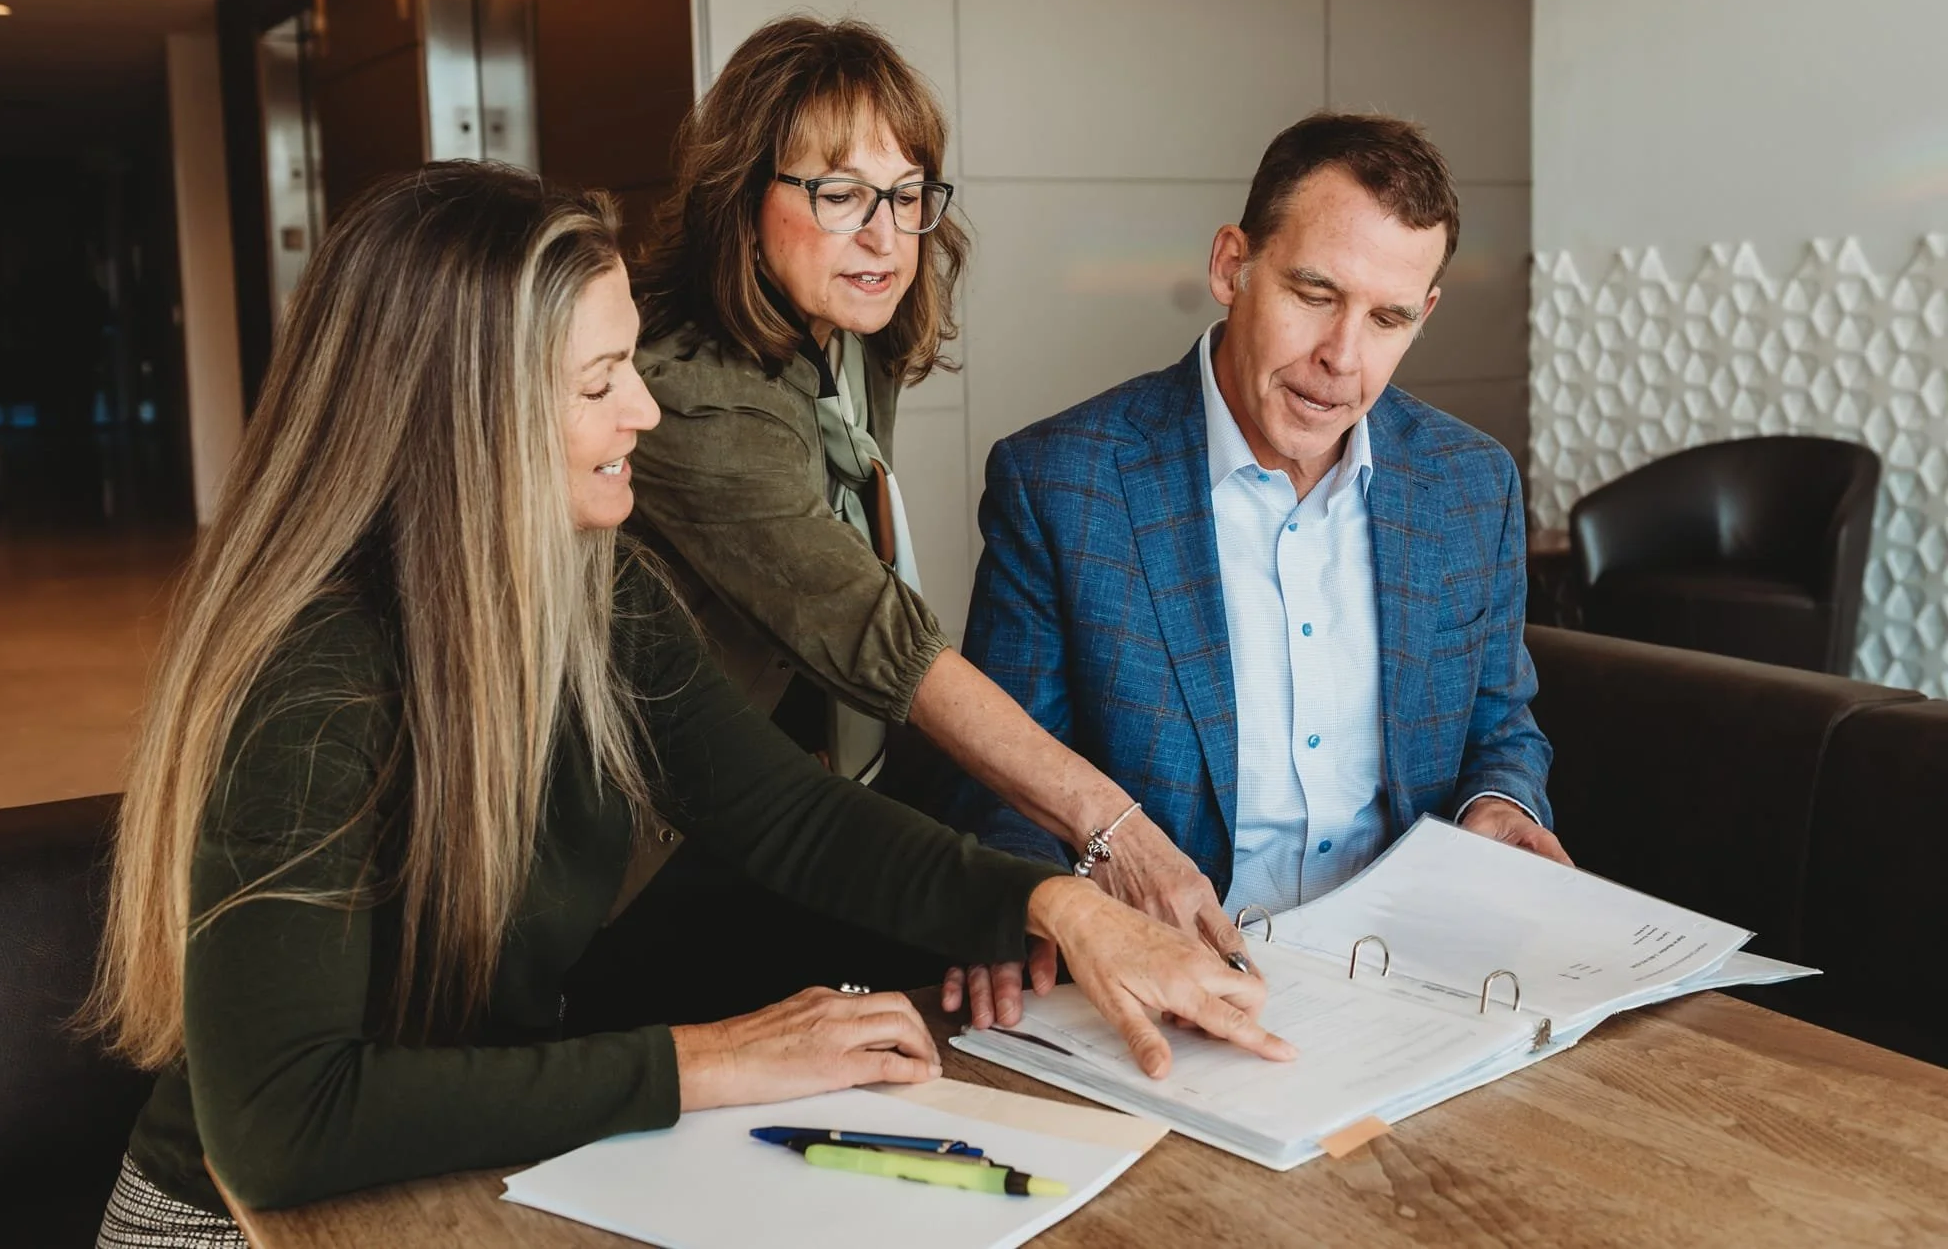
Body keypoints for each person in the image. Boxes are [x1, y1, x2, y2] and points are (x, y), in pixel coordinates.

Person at [84, 163, 1291, 1244]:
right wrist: (707, 1060)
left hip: (463, 1179)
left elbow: (790, 818)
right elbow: (283, 1124)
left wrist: (1053, 902)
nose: (644, 414)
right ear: (467, 417)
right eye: (602, 381)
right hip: (239, 1222)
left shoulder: (588, 580)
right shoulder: (316, 675)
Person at [624, 16, 1245, 1008]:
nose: (882, 236)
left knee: (1006, 965)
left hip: (808, 792)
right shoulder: (696, 399)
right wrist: (1106, 827)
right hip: (659, 860)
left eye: (905, 195)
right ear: (741, 200)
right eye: (838, 195)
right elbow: (876, 634)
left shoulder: (842, 333)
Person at [949, 113, 1573, 1026]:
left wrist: (1498, 804)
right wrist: (1020, 906)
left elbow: (1498, 724)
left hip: (1411, 991)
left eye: (1389, 317)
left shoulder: (1472, 486)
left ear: (1424, 315)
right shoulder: (1062, 484)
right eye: (1315, 294)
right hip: (1160, 991)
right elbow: (996, 781)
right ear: (1232, 266)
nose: (1342, 359)